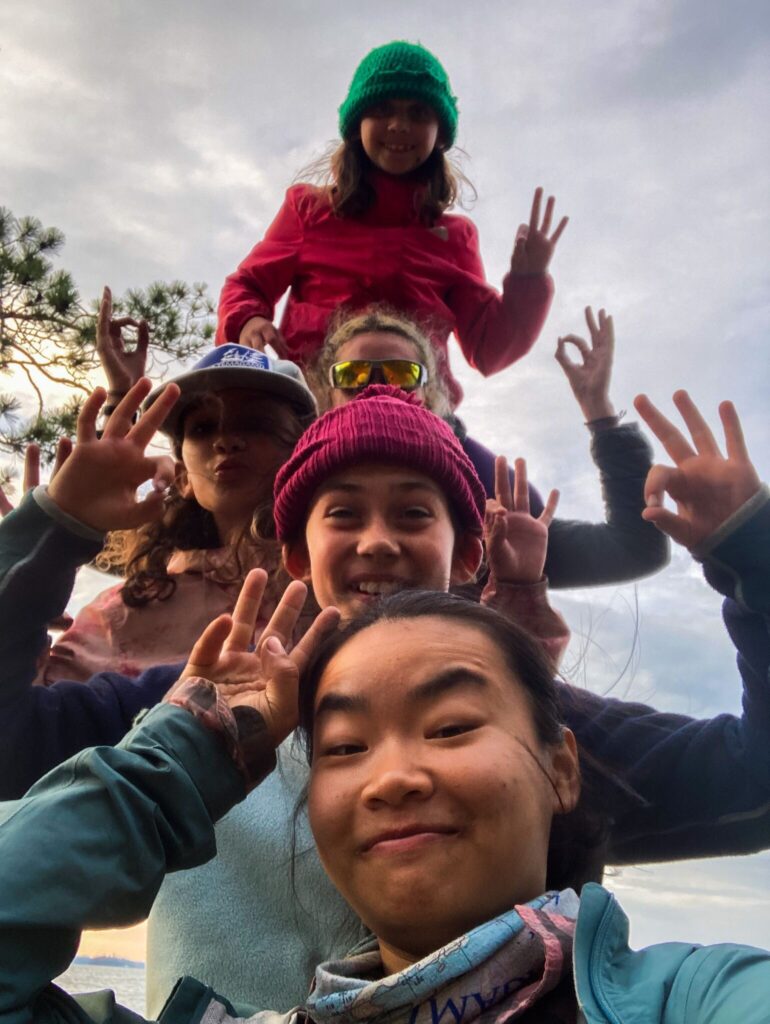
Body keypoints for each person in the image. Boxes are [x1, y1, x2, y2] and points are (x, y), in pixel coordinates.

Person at [1, 386, 767, 1011]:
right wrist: (52, 532)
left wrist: (750, 550)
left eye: (412, 513)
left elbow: (752, 778)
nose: (375, 541)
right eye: (342, 514)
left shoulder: (535, 719)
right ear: (296, 551)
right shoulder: (190, 707)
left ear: (466, 551)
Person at [3, 587, 770, 1022]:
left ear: (561, 767)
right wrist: (177, 757)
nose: (391, 778)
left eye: (452, 726)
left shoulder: (692, 1001)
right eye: (343, 748)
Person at [215, 41, 568, 408]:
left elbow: (490, 349)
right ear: (356, 126)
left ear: (441, 134)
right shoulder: (309, 209)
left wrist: (528, 282)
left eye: (418, 114)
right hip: (315, 411)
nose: (400, 126)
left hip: (419, 417)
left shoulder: (455, 238)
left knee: (493, 470)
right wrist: (248, 319)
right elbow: (248, 283)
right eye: (383, 109)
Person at [9, 288, 317, 684]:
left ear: (301, 455)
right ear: (183, 478)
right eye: (203, 429)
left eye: (256, 423)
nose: (225, 441)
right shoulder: (132, 607)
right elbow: (28, 714)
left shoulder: (336, 575)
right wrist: (28, 584)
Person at [307, 304, 669, 588]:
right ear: (328, 393)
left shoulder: (490, 495)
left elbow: (633, 550)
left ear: (430, 393)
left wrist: (600, 412)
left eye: (401, 374)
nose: (378, 385)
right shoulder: (297, 487)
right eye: (352, 374)